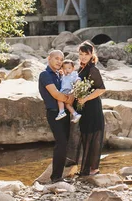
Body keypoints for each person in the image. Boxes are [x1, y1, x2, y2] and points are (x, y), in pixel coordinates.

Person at [38, 50, 75, 183]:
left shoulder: (60, 75)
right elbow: (56, 95)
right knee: (61, 143)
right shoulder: (45, 75)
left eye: (61, 59)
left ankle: (60, 174)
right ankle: (56, 177)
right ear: (49, 59)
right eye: (56, 59)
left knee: (64, 144)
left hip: (64, 113)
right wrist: (69, 99)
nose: (59, 61)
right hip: (54, 113)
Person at [76, 40, 106, 176]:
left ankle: (93, 168)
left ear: (91, 54)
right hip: (83, 108)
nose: (83, 57)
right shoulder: (80, 68)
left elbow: (101, 89)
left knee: (93, 136)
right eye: (81, 54)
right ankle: (85, 168)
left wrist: (86, 98)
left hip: (93, 107)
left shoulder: (93, 69)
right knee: (85, 135)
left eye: (86, 54)